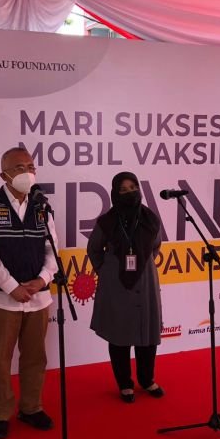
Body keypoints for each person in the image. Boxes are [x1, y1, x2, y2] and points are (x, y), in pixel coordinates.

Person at [0, 147, 57, 439]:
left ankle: (31, 408)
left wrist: (42, 280)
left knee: (36, 357)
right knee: (0, 359)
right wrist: (12, 287)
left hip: (38, 296)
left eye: (30, 166)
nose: (27, 172)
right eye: (19, 168)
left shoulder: (41, 205)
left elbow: (52, 249)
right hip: (2, 298)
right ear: (4, 175)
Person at [87, 172, 164, 403]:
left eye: (133, 187)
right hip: (116, 284)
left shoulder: (150, 218)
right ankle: (124, 384)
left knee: (147, 334)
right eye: (123, 189)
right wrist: (107, 271)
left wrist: (141, 264)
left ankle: (147, 379)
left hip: (146, 281)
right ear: (115, 193)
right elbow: (94, 250)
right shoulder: (107, 222)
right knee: (119, 335)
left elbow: (155, 246)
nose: (130, 193)